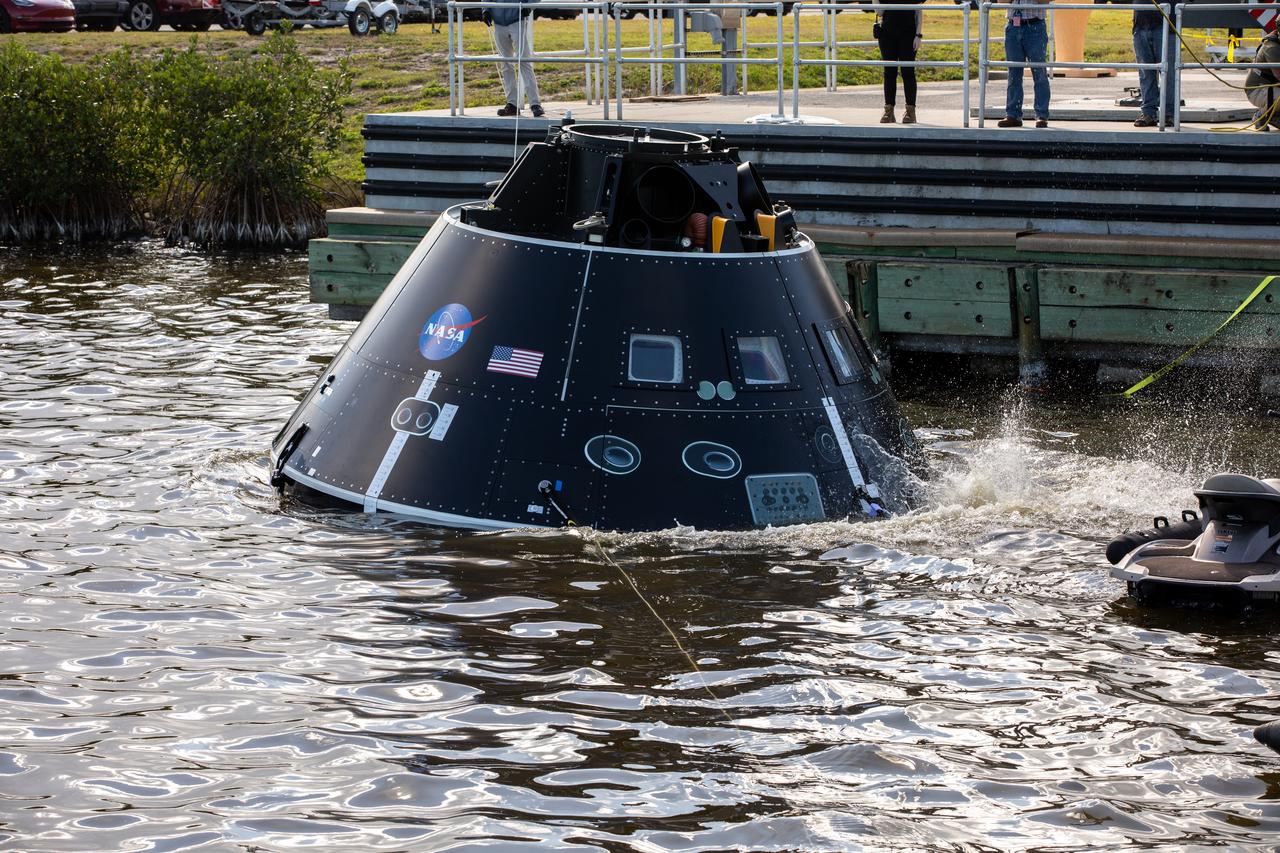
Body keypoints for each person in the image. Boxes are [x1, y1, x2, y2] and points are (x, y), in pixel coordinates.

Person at [484, 0, 544, 118]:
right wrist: (485, 10)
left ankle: (535, 104)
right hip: (498, 22)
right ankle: (512, 104)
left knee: (524, 61)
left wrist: (529, 6)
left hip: (517, 19)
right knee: (505, 64)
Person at [999, 0, 1051, 128]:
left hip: (1035, 26)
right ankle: (1013, 115)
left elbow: (1045, 1)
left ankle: (1041, 115)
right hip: (1013, 27)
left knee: (1039, 72)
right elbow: (1002, 1)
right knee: (1013, 73)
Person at [1131, 0, 1180, 127]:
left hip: (1166, 26)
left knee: (1168, 73)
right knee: (1145, 73)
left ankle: (1169, 114)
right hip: (1140, 25)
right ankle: (1148, 113)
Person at [876, 0, 924, 124]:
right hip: (887, 33)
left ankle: (910, 111)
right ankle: (889, 110)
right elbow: (879, 12)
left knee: (907, 71)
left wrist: (918, 35)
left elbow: (918, 10)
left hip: (908, 33)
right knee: (889, 71)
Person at [1245, 28, 1280, 131]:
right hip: (1257, 89)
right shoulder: (1271, 47)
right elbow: (1279, 75)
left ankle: (1275, 115)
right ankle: (1261, 115)